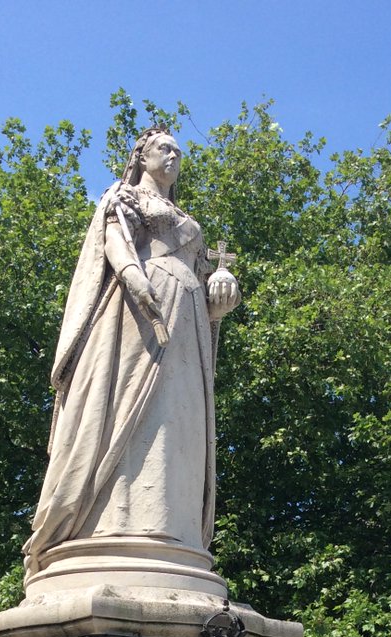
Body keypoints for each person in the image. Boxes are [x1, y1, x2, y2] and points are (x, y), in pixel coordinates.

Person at [23, 128, 240, 582]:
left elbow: (202, 280)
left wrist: (218, 300)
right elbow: (114, 240)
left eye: (179, 150)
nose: (175, 155)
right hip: (139, 311)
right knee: (125, 408)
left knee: (180, 418)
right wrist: (132, 275)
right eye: (165, 147)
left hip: (189, 324)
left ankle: (170, 526)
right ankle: (111, 522)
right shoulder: (126, 196)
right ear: (141, 156)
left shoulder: (185, 218)